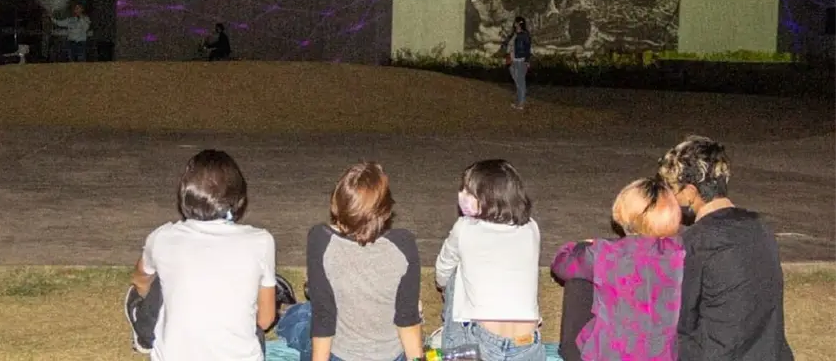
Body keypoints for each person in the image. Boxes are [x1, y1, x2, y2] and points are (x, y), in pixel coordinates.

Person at [124, 149, 278, 361]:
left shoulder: (162, 237)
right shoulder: (261, 241)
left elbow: (140, 280)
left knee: (163, 278)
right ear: (238, 196)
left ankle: (143, 328)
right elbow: (266, 319)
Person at [657, 135, 794, 361]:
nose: (672, 201)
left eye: (673, 192)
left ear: (690, 192)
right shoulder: (760, 227)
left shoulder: (696, 243)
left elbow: (680, 321)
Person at [276, 162, 424, 361]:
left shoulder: (321, 239)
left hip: (341, 354)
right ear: (386, 210)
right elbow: (408, 319)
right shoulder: (403, 244)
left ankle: (287, 311)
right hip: (391, 355)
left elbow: (324, 317)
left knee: (298, 318)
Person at [550, 177, 685, 361]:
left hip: (612, 355)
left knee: (578, 280)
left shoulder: (606, 253)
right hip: (662, 356)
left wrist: (581, 245)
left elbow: (561, 265)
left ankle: (569, 354)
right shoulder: (679, 253)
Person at [435, 159, 544, 361]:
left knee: (455, 275)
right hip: (528, 342)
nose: (462, 196)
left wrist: (443, 286)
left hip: (484, 342)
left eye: (469, 192)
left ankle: (449, 349)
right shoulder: (531, 228)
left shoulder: (464, 227)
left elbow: (442, 271)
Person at [505, 17, 532, 110]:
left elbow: (527, 48)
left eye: (516, 22)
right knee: (517, 82)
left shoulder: (524, 35)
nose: (515, 24)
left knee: (520, 82)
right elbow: (509, 45)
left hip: (520, 60)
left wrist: (527, 61)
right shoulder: (514, 34)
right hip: (512, 60)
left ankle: (521, 103)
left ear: (519, 24)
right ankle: (520, 100)